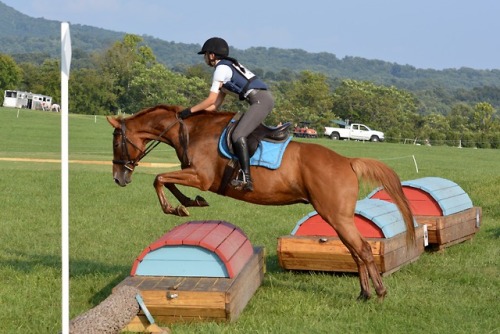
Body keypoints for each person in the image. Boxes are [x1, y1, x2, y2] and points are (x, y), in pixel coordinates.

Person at [179, 37, 274, 192]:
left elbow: (209, 99)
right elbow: (215, 105)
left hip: (260, 100)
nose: (205, 58)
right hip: (260, 99)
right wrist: (196, 115)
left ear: (211, 55)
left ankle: (246, 178)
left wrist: (189, 111)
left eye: (205, 55)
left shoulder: (220, 70)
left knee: (237, 135)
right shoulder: (226, 69)